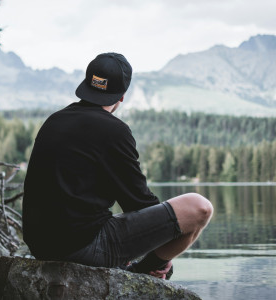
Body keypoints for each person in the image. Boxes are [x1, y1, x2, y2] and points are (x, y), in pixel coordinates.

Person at [22, 52, 213, 279]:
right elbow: (138, 203)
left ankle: (140, 268)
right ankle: (147, 271)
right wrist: (165, 247)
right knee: (199, 207)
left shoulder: (54, 121)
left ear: (86, 84)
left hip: (41, 246)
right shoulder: (114, 130)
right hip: (81, 248)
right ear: (121, 97)